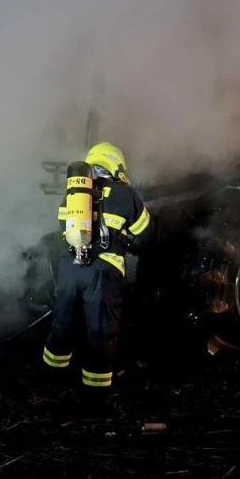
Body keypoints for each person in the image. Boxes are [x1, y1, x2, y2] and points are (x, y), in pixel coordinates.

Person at [42, 142, 154, 391]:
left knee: (62, 322)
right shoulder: (126, 194)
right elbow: (146, 233)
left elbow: (63, 227)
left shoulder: (73, 195)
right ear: (116, 166)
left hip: (70, 268)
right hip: (104, 272)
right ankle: (95, 391)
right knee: (100, 331)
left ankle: (52, 380)